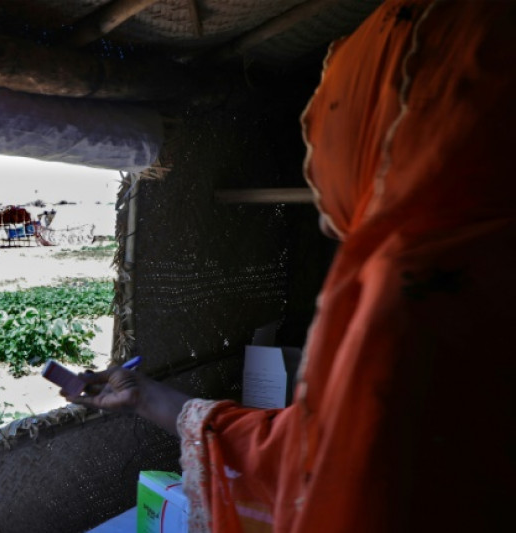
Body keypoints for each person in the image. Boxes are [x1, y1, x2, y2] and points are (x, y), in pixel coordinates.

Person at [68, 1, 516, 531]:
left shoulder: (411, 292)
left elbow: (325, 471)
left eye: (338, 127)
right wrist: (145, 395)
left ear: (390, 128)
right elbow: (315, 451)